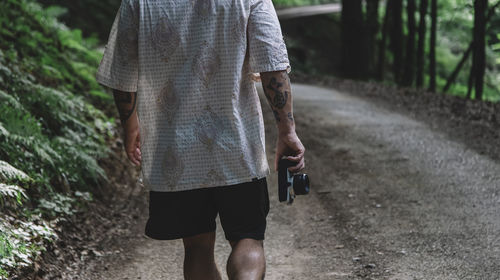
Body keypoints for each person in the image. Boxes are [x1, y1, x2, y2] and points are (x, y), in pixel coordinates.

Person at [95, 0, 305, 279]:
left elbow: (122, 71)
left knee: (196, 248)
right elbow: (273, 66)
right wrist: (287, 131)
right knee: (248, 238)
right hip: (238, 146)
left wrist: (129, 123)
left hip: (176, 150)